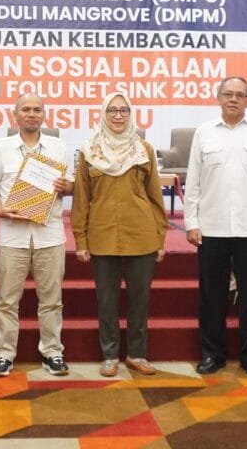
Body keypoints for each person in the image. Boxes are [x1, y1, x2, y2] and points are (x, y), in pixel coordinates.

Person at [185, 77, 247, 378]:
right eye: (228, 94)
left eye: (239, 95)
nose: (233, 99)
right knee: (211, 296)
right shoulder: (204, 132)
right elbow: (193, 182)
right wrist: (191, 222)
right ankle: (212, 354)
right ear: (218, 97)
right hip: (211, 228)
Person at [72, 92, 168, 377]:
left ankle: (137, 354)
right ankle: (110, 355)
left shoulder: (144, 150)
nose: (117, 115)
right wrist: (80, 239)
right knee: (106, 301)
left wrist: (160, 238)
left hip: (142, 235)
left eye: (123, 110)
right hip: (102, 237)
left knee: (140, 300)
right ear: (103, 114)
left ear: (130, 114)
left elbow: (155, 198)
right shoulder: (89, 151)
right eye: (112, 110)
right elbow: (81, 199)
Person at [0, 94, 74, 377]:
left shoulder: (59, 148)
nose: (32, 114)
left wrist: (66, 187)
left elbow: (72, 186)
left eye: (37, 110)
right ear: (15, 114)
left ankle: (53, 352)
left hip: (50, 236)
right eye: (26, 109)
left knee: (52, 300)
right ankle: (3, 355)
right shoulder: (2, 147)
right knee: (7, 301)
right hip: (12, 237)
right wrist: (0, 210)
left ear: (44, 114)